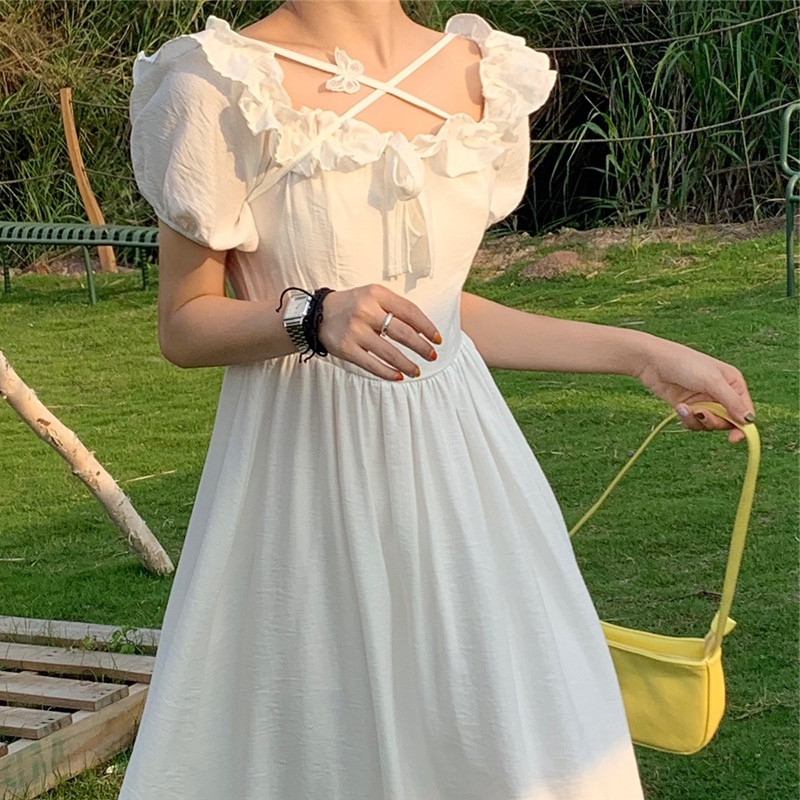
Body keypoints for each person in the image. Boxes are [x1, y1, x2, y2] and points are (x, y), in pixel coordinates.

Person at [120, 1, 756, 798]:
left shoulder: (481, 74)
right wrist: (313, 315)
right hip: (302, 483)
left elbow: (441, 316)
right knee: (319, 740)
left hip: (469, 479)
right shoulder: (217, 82)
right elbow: (185, 324)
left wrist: (643, 355)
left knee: (516, 735)